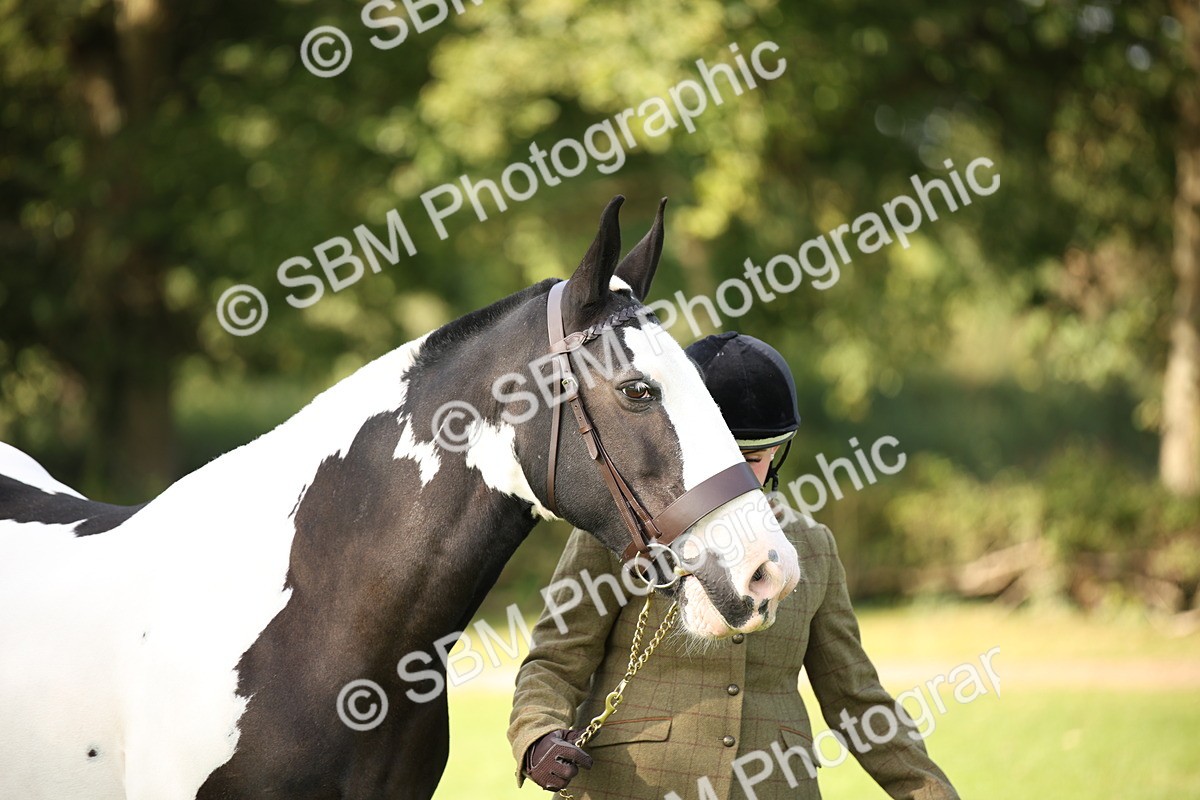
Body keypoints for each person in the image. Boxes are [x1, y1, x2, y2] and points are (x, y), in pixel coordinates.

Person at [507, 331, 959, 800]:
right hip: (633, 785)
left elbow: (856, 700)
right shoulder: (615, 534)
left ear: (779, 453)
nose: (734, 479)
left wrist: (931, 793)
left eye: (751, 460)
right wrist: (537, 735)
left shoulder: (814, 547)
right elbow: (557, 659)